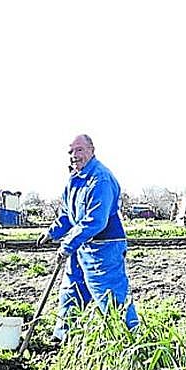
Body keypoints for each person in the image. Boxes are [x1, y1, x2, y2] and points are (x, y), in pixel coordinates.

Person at [36, 133, 139, 338]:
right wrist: (52, 232)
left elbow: (96, 220)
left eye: (80, 150)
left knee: (110, 295)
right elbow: (68, 214)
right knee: (71, 290)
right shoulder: (74, 180)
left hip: (104, 246)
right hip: (81, 244)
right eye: (71, 151)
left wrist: (67, 244)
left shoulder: (100, 179)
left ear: (92, 151)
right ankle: (63, 338)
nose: (75, 155)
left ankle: (129, 339)